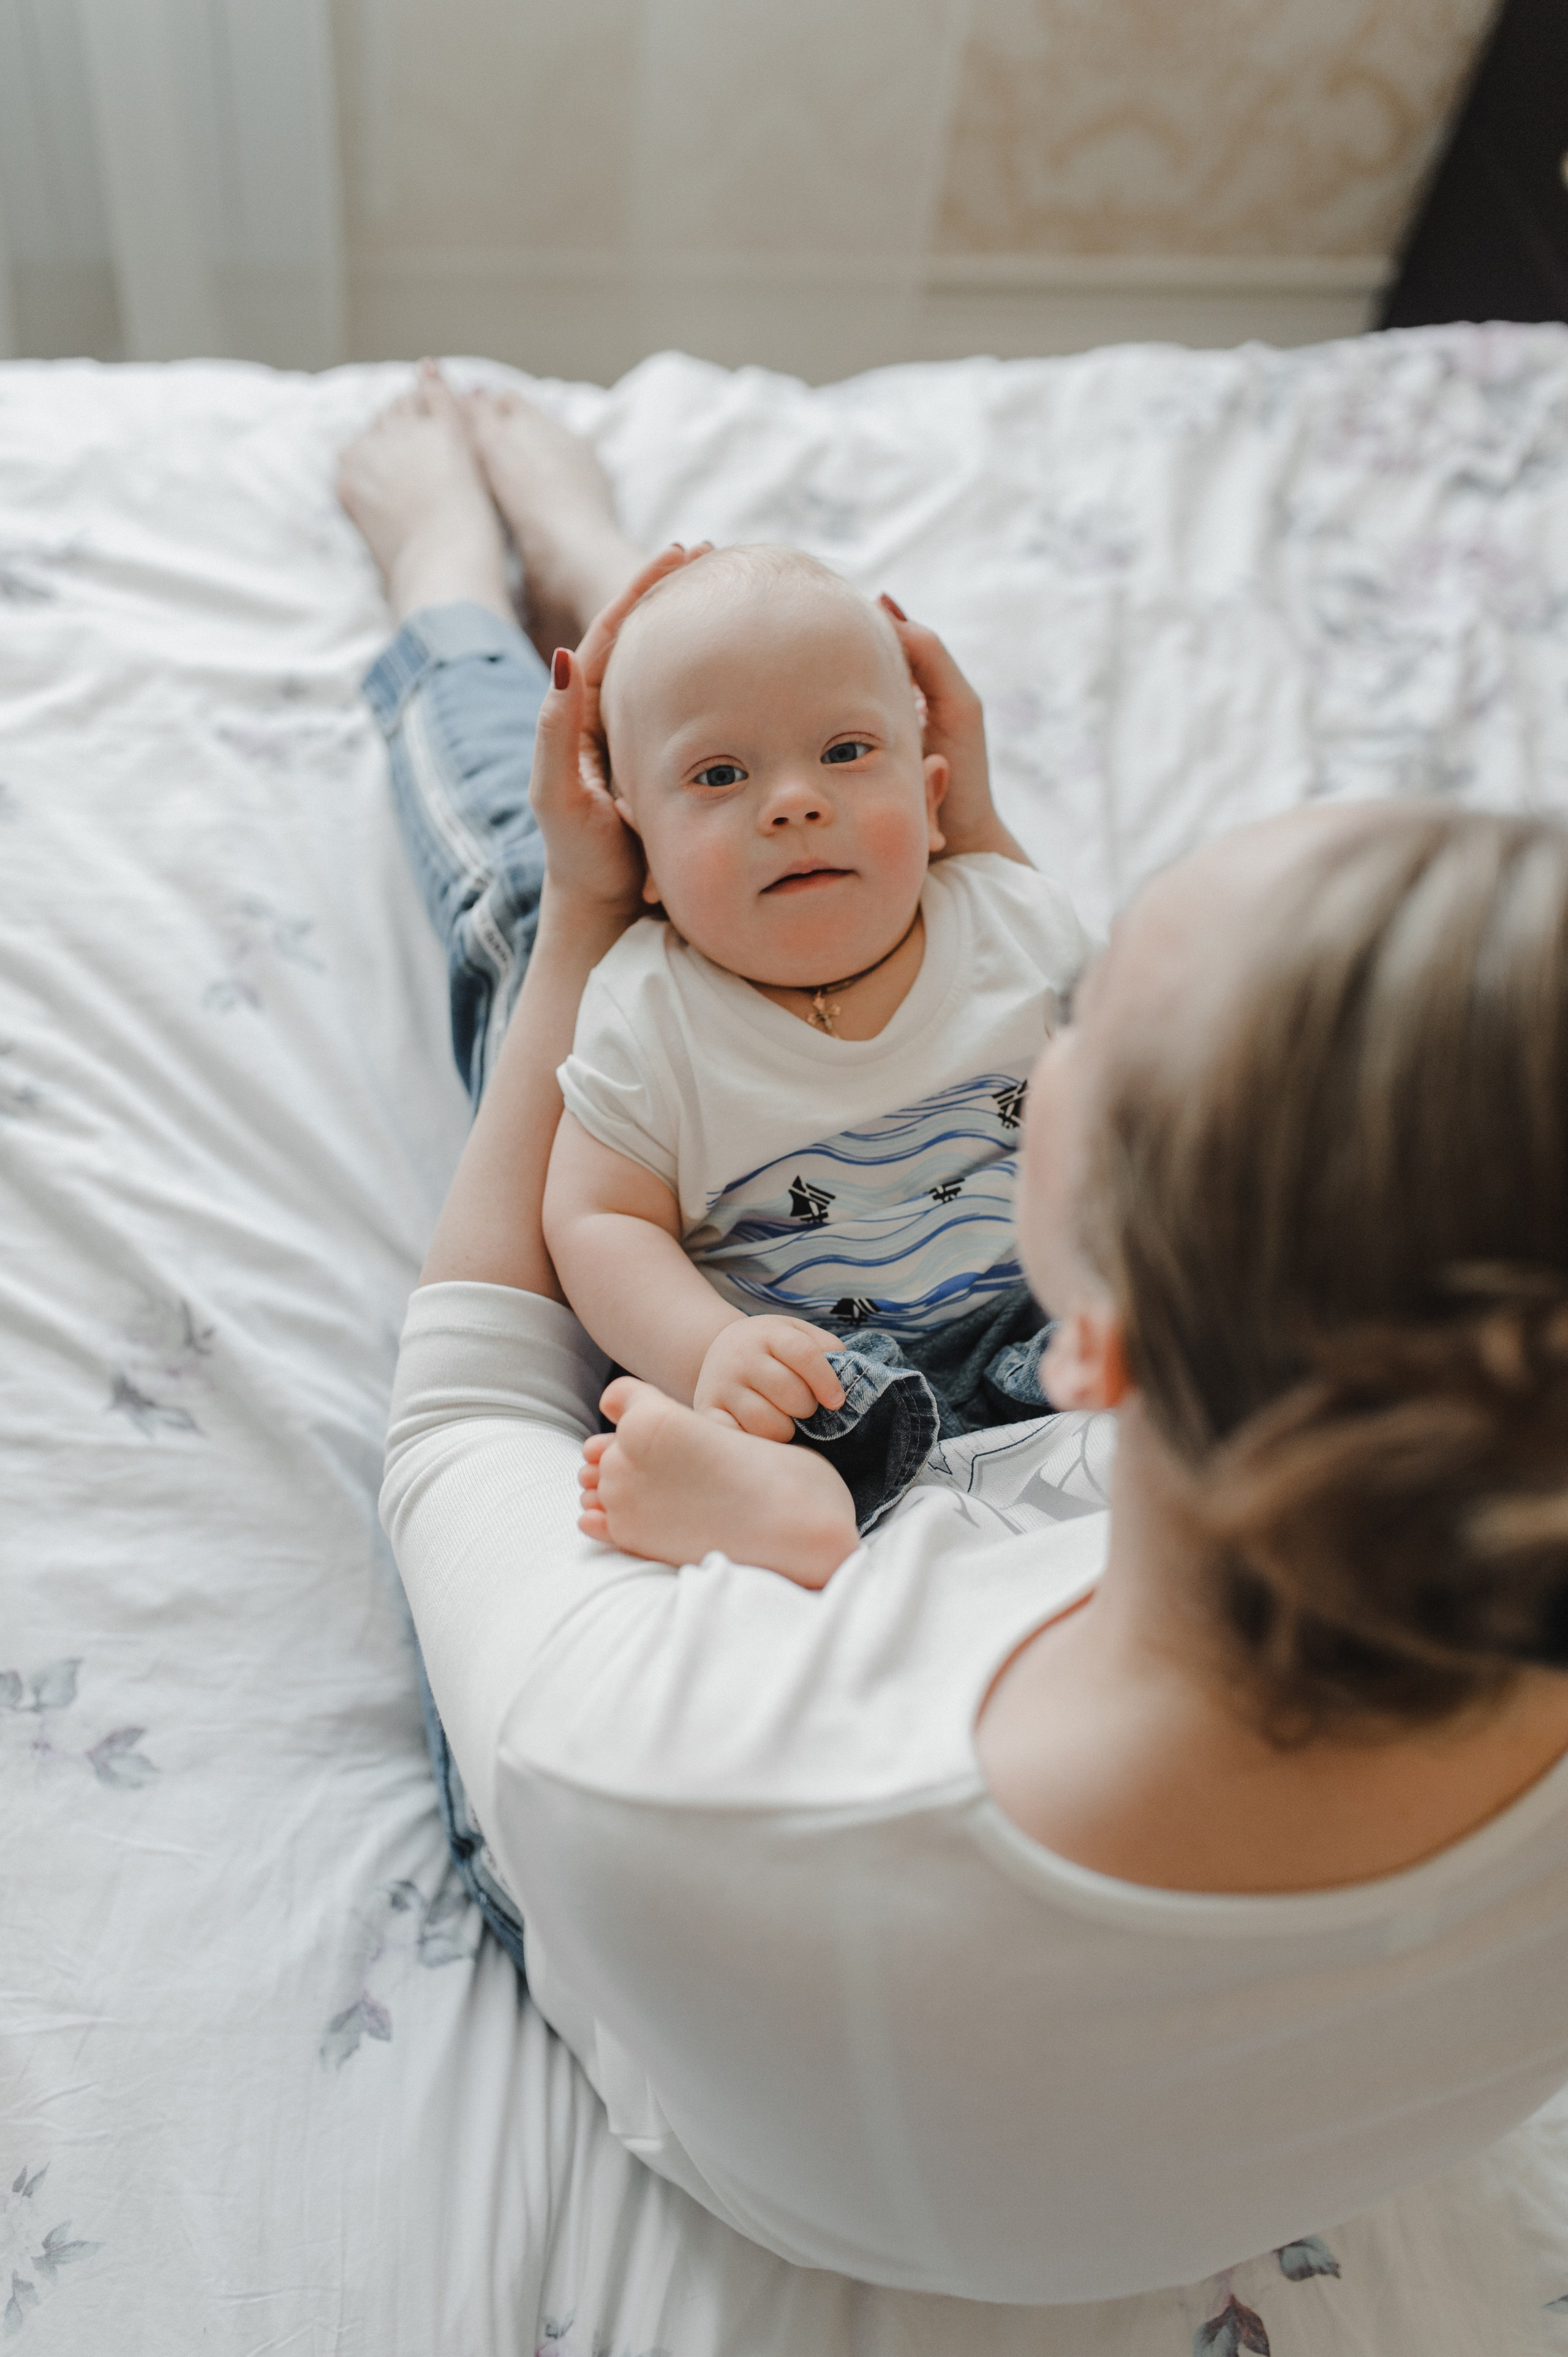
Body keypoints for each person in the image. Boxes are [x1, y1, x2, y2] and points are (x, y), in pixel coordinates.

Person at [343, 363, 1568, 2307]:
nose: (1042, 1006)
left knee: (509, 916)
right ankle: (598, 589)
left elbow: (466, 1402)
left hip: (753, 2054)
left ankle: (453, 594)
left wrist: (586, 910)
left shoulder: (665, 1767)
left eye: (1099, 1037)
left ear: (1095, 1348)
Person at [545, 542, 1088, 1572]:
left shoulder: (1013, 924)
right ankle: (758, 1506)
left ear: (933, 801)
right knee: (779, 1441)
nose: (794, 803)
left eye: (844, 753)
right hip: (821, 1382)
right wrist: (709, 1349)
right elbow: (599, 1217)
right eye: (720, 774)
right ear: (640, 856)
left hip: (1048, 1319)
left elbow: (1133, 1089)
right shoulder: (649, 1009)